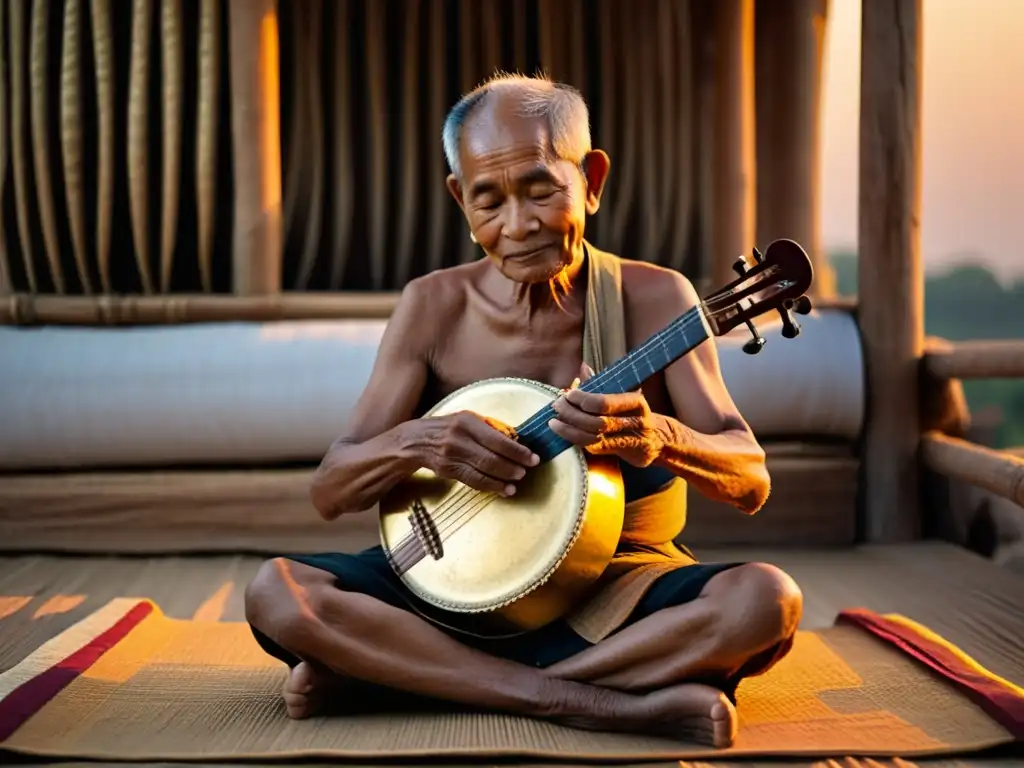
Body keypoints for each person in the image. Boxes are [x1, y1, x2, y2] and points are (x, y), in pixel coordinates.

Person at [244, 72, 802, 748]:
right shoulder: (432, 307)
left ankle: (404, 678)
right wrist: (419, 444)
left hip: (617, 589)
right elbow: (332, 489)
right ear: (460, 198)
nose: (519, 224)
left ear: (591, 180)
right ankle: (583, 700)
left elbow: (750, 478)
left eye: (542, 189)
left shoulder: (657, 299)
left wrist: (658, 436)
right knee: (278, 592)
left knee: (765, 602)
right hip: (451, 584)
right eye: (489, 199)